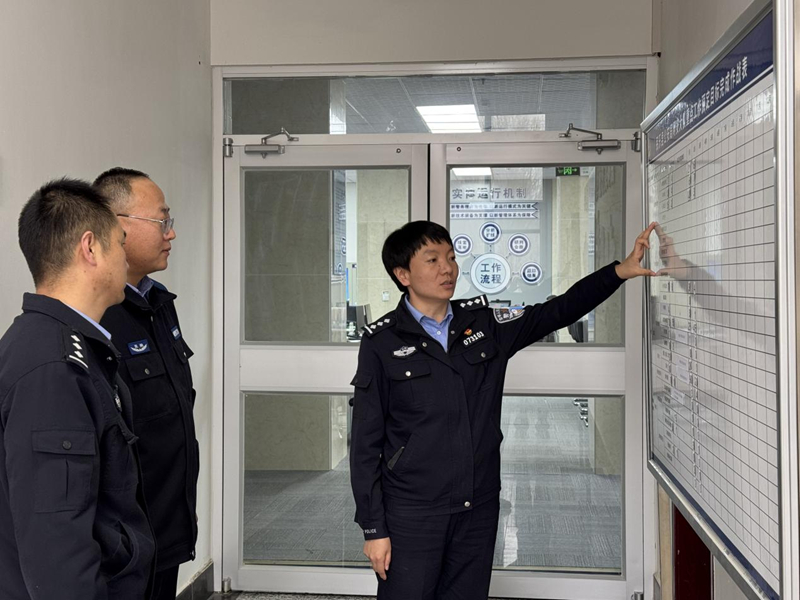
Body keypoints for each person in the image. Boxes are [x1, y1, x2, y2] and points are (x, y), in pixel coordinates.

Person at [349, 220, 657, 599]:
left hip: (477, 504)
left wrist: (619, 272)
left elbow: (556, 311)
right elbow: (365, 445)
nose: (447, 269)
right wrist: (374, 529)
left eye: (451, 258)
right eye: (432, 260)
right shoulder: (382, 342)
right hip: (413, 509)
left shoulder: (484, 324)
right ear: (403, 275)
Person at [0, 178, 155, 599]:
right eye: (120, 243)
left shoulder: (70, 347)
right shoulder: (52, 367)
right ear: (90, 248)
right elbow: (56, 544)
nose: (126, 257)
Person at [94, 167, 199, 599]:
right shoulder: (99, 316)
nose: (170, 233)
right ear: (117, 226)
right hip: (125, 541)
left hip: (167, 523)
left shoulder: (158, 303)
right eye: (162, 220)